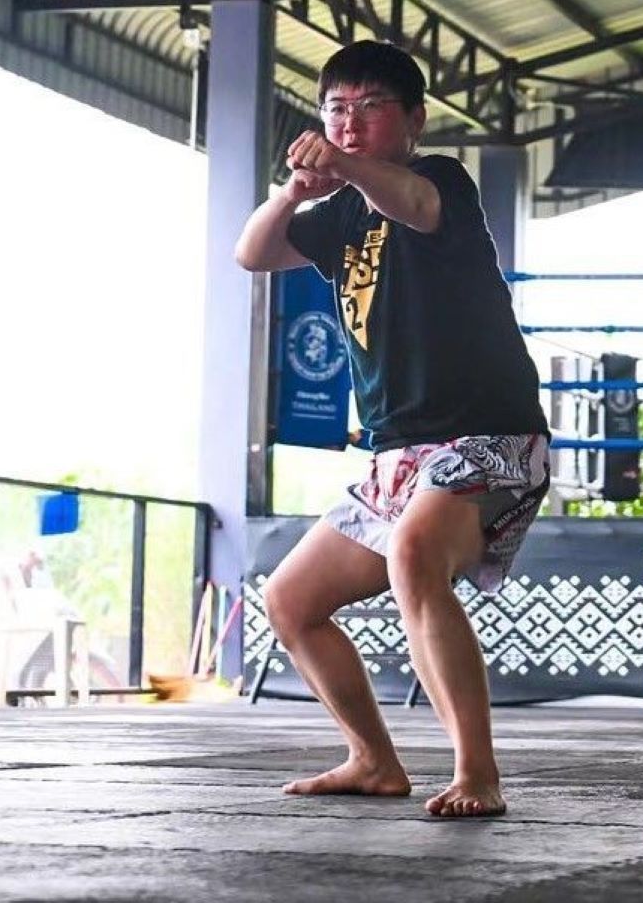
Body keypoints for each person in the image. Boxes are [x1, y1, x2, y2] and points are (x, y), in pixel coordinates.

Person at [235, 40, 550, 818]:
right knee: (289, 600)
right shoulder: (337, 210)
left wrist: (341, 170)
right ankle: (373, 759)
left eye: (370, 106)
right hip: (398, 454)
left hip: (488, 435)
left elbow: (408, 205)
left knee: (414, 554)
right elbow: (254, 252)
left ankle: (477, 771)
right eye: (336, 108)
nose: (349, 122)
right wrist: (293, 189)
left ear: (412, 120)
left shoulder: (438, 178)